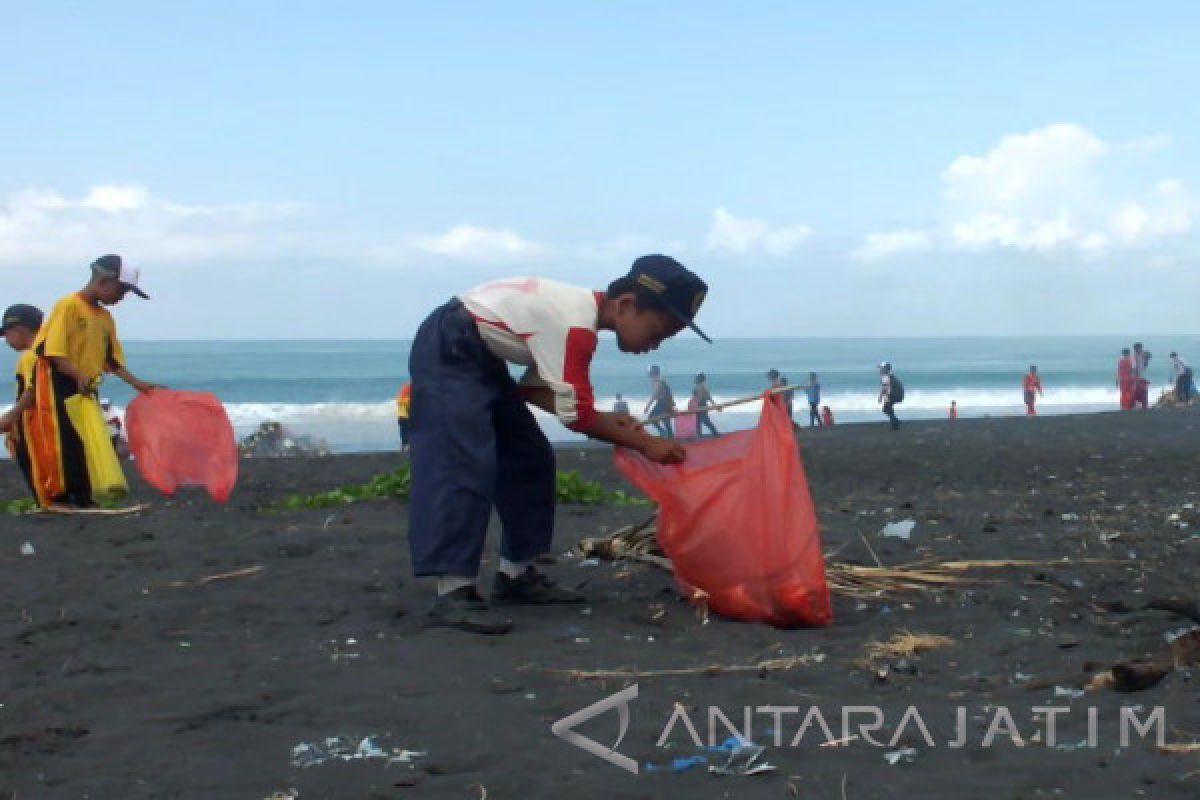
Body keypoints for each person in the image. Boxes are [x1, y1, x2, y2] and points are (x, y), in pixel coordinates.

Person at [408, 254, 708, 634]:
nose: (655, 346)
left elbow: (535, 390)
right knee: (462, 462)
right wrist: (644, 443)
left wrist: (606, 420)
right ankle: (453, 591)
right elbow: (577, 417)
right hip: (452, 344)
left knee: (530, 457)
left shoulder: (577, 321)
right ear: (627, 304)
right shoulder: (575, 328)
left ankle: (517, 574)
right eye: (657, 333)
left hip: (482, 352)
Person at [32, 255, 162, 507]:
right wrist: (78, 375)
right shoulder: (68, 305)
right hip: (59, 382)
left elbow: (111, 361)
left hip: (85, 385)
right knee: (64, 440)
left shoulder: (105, 319)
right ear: (104, 281)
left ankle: (83, 496)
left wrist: (139, 384)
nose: (122, 298)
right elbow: (53, 351)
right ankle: (63, 496)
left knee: (85, 440)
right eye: (122, 291)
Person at [0, 304, 44, 500]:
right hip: (46, 423)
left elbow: (32, 390)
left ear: (19, 329)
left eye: (6, 334)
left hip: (35, 424)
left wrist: (11, 416)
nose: (6, 341)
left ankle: (45, 502)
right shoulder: (47, 352)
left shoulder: (29, 357)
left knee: (32, 465)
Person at [644, 365, 676, 438]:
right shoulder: (662, 380)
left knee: (651, 418)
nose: (648, 373)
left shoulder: (658, 382)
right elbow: (669, 393)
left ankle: (663, 432)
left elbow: (654, 395)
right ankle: (670, 436)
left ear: (653, 373)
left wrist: (647, 406)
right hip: (667, 403)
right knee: (666, 420)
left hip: (662, 403)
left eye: (650, 372)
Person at [692, 372, 718, 437]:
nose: (695, 379)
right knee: (701, 422)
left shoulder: (699, 387)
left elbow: (699, 397)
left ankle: (715, 434)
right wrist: (715, 405)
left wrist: (694, 405)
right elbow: (709, 398)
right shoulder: (704, 387)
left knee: (703, 422)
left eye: (696, 378)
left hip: (700, 406)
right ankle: (714, 434)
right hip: (703, 406)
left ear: (699, 379)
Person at [878, 361, 902, 430]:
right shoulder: (890, 375)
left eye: (881, 368)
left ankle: (896, 421)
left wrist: (881, 397)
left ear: (885, 369)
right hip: (898, 394)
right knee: (889, 408)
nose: (880, 370)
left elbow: (885, 388)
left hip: (894, 394)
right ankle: (895, 424)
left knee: (885, 409)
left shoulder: (885, 376)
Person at [1132, 342, 1151, 410]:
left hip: (1141, 377)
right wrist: (1136, 379)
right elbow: (1134, 369)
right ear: (1137, 349)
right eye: (1140, 348)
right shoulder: (1135, 357)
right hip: (1138, 377)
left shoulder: (1140, 356)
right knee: (1140, 392)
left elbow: (1144, 366)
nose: (1142, 349)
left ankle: (1143, 406)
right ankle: (1139, 406)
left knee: (1142, 392)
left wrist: (1146, 360)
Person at [396, 382, 412, 451]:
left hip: (402, 412)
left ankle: (404, 447)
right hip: (405, 412)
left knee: (404, 432)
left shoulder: (406, 386)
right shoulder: (410, 387)